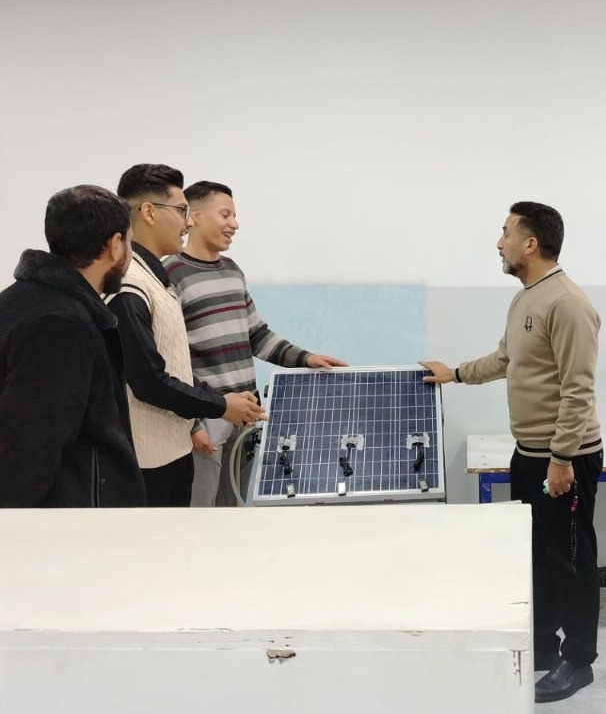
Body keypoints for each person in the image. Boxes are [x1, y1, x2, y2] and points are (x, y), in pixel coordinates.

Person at [421, 202, 602, 704]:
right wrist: (455, 373)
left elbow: (578, 389)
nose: (498, 242)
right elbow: (506, 359)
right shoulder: (526, 298)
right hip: (529, 452)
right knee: (538, 557)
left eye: (505, 233)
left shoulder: (567, 303)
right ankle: (542, 647)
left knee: (571, 560)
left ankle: (579, 661)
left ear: (530, 243)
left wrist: (562, 459)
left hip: (564, 458)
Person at [166, 180, 347, 506]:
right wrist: (192, 425)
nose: (234, 224)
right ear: (195, 216)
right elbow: (170, 360)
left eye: (234, 216)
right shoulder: (172, 273)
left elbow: (258, 335)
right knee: (200, 516)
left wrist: (306, 359)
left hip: (246, 414)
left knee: (235, 509)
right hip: (207, 417)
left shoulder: (232, 272)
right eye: (225, 215)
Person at [110, 165, 266, 507]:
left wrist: (304, 359)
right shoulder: (134, 284)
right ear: (149, 212)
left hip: (198, 430)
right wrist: (211, 412)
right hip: (161, 450)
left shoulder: (160, 277)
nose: (186, 222)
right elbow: (151, 378)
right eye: (181, 210)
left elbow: (254, 335)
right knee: (192, 522)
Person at [0, 185, 145, 508]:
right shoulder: (61, 323)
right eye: (129, 242)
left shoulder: (20, 300)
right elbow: (30, 450)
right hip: (66, 522)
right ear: (115, 245)